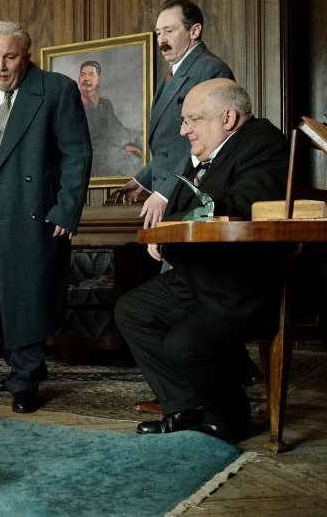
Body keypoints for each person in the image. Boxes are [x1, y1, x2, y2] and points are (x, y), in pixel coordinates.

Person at [114, 79, 289, 443]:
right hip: (200, 276)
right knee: (133, 311)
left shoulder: (263, 144)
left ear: (228, 118)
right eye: (184, 120)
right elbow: (185, 207)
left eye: (193, 119)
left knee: (185, 343)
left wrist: (172, 231)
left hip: (240, 283)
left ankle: (230, 420)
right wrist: (167, 236)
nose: (184, 130)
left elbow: (243, 209)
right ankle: (186, 406)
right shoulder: (212, 153)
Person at [0, 21, 92, 413]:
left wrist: (66, 209)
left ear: (26, 56)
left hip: (33, 213)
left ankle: (25, 379)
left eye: (9, 57)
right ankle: (22, 366)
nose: (0, 66)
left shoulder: (56, 90)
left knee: (26, 295)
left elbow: (77, 155)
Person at [114, 0, 233, 229]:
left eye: (169, 31)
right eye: (158, 33)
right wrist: (143, 180)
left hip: (190, 196)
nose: (162, 41)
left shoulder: (211, 69)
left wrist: (165, 192)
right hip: (174, 194)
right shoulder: (174, 74)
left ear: (194, 31)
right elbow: (171, 146)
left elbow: (210, 145)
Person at [77, 60, 142, 178]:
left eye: (91, 74)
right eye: (83, 74)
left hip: (105, 152)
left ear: (98, 79)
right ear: (79, 79)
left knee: (138, 154)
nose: (86, 78)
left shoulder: (104, 104)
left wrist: (125, 144)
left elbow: (115, 128)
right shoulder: (72, 103)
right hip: (83, 156)